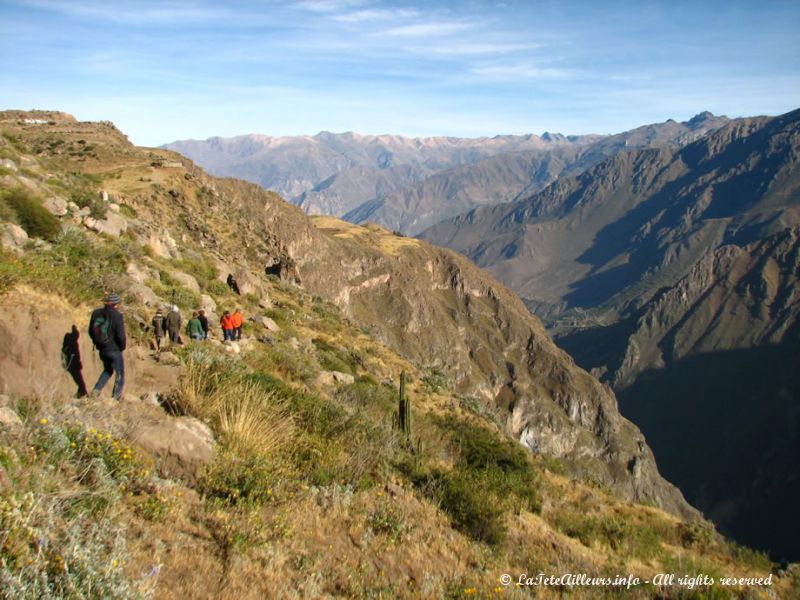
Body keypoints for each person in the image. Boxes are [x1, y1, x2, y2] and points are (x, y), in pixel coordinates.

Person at [88, 292, 126, 400]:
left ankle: (96, 390)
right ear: (116, 304)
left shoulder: (96, 313)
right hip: (114, 349)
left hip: (102, 349)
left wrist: (98, 343)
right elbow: (121, 336)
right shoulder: (117, 316)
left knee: (108, 370)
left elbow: (90, 331)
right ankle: (116, 398)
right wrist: (122, 347)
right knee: (120, 373)